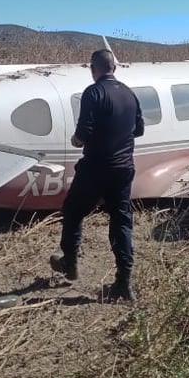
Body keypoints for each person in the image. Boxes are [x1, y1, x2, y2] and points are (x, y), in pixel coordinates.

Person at [50, 48, 144, 301]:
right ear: (115, 67)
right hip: (124, 168)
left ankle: (70, 264)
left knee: (73, 211)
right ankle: (123, 282)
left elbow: (84, 132)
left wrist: (76, 140)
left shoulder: (93, 92)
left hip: (96, 167)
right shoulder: (129, 93)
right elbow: (139, 130)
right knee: (121, 221)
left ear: (94, 69)